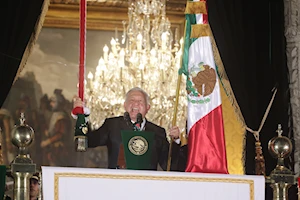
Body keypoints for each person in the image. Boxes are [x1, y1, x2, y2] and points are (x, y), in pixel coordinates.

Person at [73, 87, 181, 170]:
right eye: (132, 100)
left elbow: (169, 164)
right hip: (117, 185)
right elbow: (88, 141)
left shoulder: (158, 132)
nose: (135, 104)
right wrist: (82, 117)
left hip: (147, 187)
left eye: (140, 101)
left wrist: (175, 141)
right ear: (125, 105)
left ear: (148, 107)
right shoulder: (112, 125)